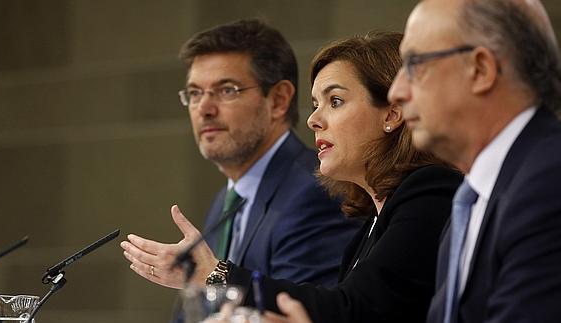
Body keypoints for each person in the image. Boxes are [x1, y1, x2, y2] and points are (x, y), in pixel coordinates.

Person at [122, 31, 463, 323]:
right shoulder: (372, 223)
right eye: (315, 103)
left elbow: (351, 311)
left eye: (336, 101)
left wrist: (215, 276)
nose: (314, 119)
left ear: (392, 112)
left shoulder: (429, 192)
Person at [122, 19, 360, 288]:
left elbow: (299, 313)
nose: (205, 109)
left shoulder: (316, 191)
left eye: (226, 90)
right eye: (195, 93)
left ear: (279, 100)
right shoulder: (225, 201)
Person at [388, 0, 561, 322]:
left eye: (415, 64)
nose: (396, 91)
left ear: (480, 69)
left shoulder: (549, 185)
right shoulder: (472, 197)